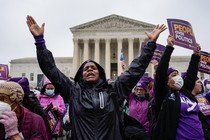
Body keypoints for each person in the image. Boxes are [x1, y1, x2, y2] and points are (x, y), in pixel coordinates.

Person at [26, 15, 166, 140]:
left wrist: (150, 45)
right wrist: (39, 41)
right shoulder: (74, 91)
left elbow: (135, 70)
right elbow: (51, 70)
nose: (90, 69)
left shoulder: (113, 91)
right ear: (81, 75)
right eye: (86, 69)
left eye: (94, 67)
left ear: (101, 72)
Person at [150, 35, 204, 140]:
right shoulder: (164, 95)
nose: (178, 77)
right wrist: (169, 48)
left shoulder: (185, 91)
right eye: (174, 75)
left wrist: (196, 55)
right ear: (166, 80)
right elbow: (161, 73)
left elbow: (191, 75)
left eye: (178, 74)